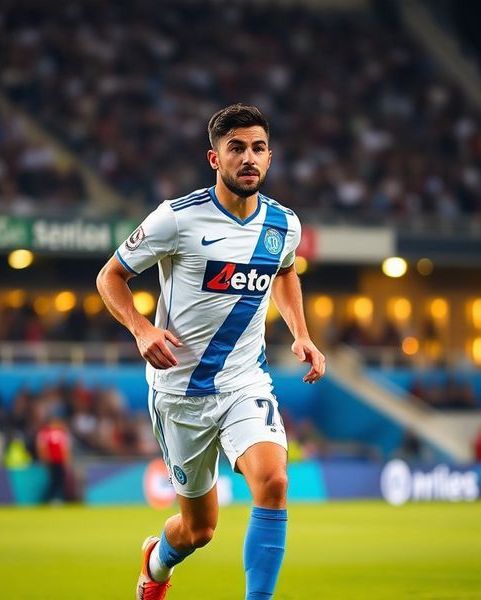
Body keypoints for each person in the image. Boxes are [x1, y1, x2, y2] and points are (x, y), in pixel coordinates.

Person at [96, 104, 326, 600]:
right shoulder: (175, 219)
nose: (249, 158)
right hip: (180, 391)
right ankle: (155, 563)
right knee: (198, 530)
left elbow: (285, 272)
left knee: (274, 481)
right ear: (214, 158)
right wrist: (140, 329)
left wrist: (301, 333)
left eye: (258, 148)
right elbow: (109, 276)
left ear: (270, 157)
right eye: (236, 148)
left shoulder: (285, 225)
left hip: (245, 381)